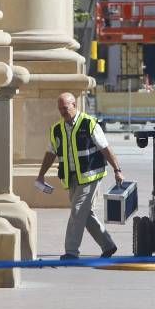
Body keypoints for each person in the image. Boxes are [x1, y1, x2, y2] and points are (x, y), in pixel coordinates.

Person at [36, 92, 125, 260]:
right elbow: (50, 153)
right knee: (85, 213)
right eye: (60, 109)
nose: (63, 111)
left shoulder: (89, 123)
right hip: (71, 178)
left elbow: (105, 148)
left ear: (74, 105)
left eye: (66, 108)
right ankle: (108, 245)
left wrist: (117, 170)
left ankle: (71, 251)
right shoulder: (57, 129)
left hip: (91, 176)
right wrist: (41, 175)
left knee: (77, 211)